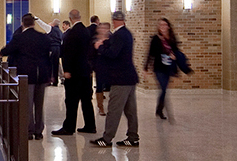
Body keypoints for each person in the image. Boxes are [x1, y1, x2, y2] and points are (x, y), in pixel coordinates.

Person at [89, 10, 139, 148]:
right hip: (129, 77)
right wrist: (105, 43)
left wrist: (100, 47)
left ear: (113, 21)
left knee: (114, 110)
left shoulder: (119, 35)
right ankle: (133, 137)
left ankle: (107, 138)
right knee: (130, 110)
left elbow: (112, 53)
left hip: (120, 78)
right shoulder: (126, 33)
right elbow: (115, 47)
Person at [1, 12, 53, 139]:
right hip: (42, 74)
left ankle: (29, 130)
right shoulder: (43, 37)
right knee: (39, 104)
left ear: (22, 24)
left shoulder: (19, 38)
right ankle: (39, 131)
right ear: (34, 23)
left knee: (27, 104)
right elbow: (50, 53)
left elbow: (6, 51)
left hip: (26, 75)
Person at [51, 9, 96, 136]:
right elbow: (91, 52)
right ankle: (90, 125)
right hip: (85, 72)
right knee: (86, 100)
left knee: (71, 100)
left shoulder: (71, 34)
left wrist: (67, 70)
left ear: (70, 19)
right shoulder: (86, 31)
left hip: (74, 73)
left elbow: (68, 53)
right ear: (80, 17)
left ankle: (69, 127)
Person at [144, 17, 190, 120]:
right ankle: (160, 109)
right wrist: (145, 68)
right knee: (163, 88)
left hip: (168, 67)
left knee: (164, 90)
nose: (162, 27)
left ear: (168, 26)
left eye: (164, 25)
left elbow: (176, 51)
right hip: (159, 68)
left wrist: (175, 56)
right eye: (160, 25)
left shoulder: (172, 39)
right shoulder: (155, 39)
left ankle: (159, 109)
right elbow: (150, 53)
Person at [47, 18, 63, 85]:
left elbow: (47, 38)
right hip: (58, 48)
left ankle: (49, 80)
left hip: (52, 48)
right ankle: (55, 81)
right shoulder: (60, 31)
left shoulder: (51, 30)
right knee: (56, 65)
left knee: (50, 65)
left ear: (53, 24)